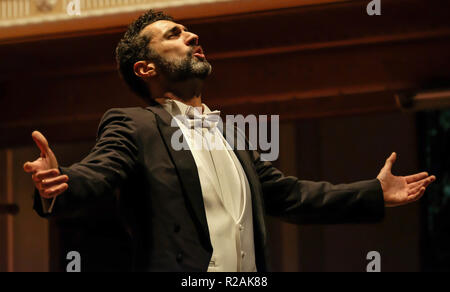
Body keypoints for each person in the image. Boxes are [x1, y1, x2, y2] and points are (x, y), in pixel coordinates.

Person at [23, 10, 435, 272]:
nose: (191, 36)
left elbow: (290, 195)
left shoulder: (233, 135)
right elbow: (99, 171)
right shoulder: (134, 125)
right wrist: (58, 182)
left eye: (188, 30)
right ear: (146, 68)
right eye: (174, 35)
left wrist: (374, 193)